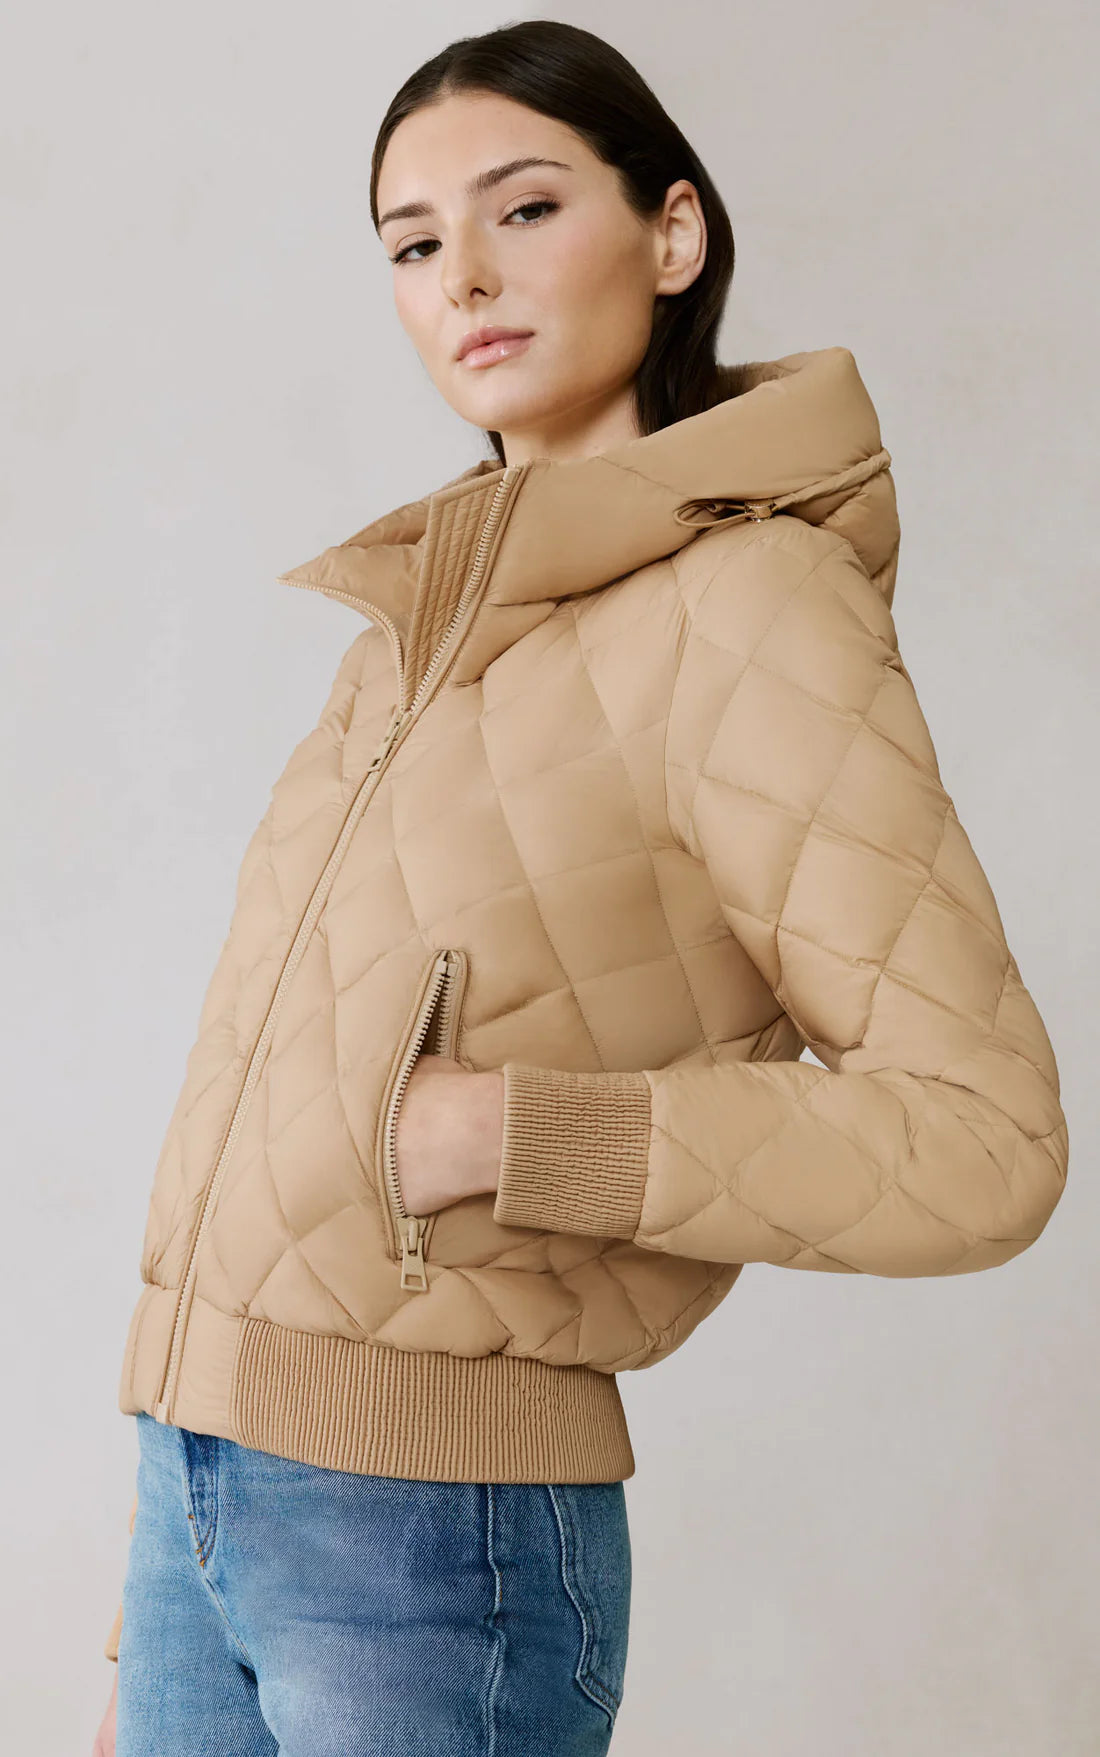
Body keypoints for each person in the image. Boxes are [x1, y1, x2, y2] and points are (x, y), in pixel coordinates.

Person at [93, 19, 1069, 1757]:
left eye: (525, 208)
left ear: (672, 233)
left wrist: (518, 1134)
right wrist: (156, 1596)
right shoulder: (407, 641)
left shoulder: (752, 606)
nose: (462, 277)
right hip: (200, 1502)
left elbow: (986, 1138)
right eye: (412, 245)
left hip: (432, 1544)